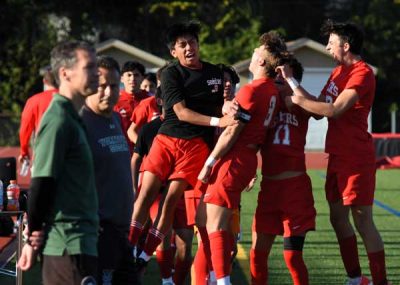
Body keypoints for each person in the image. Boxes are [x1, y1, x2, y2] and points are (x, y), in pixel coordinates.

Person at [276, 20, 391, 285]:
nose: (327, 46)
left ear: (346, 45)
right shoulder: (338, 72)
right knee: (338, 218)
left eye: (331, 42)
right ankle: (355, 279)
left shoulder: (362, 73)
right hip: (337, 156)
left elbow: (336, 109)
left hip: (355, 158)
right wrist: (291, 81)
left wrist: (296, 100)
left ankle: (380, 282)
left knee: (363, 222)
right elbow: (318, 108)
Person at [128, 21, 236, 274]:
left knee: (170, 200)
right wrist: (219, 120)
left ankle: (144, 255)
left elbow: (220, 105)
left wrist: (228, 106)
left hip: (197, 146)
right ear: (173, 52)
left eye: (193, 42)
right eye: (182, 44)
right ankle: (129, 247)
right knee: (144, 195)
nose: (189, 48)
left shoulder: (215, 73)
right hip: (167, 140)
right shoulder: (171, 74)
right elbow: (181, 112)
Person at [196, 31, 283, 284]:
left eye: (257, 52)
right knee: (211, 222)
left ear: (262, 62)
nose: (253, 54)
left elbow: (232, 131)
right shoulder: (272, 92)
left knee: (215, 227)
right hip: (246, 159)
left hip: (232, 160)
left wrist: (209, 163)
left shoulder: (251, 90)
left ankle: (220, 280)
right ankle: (217, 278)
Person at [17, 41, 99, 285]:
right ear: (65, 73)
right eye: (89, 67)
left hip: (81, 243)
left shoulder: (74, 117)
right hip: (67, 246)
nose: (97, 73)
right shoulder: (58, 120)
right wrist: (32, 239)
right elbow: (41, 183)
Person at [251, 56, 317, 285]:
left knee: (292, 257)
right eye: (275, 78)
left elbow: (318, 109)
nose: (275, 83)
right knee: (257, 255)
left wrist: (291, 82)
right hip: (269, 188)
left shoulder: (299, 101)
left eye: (280, 78)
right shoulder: (266, 103)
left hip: (294, 189)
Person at [80, 55, 138, 285]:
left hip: (121, 230)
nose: (108, 92)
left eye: (114, 86)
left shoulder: (115, 117)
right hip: (99, 232)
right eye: (102, 86)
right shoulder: (79, 121)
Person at [19, 67, 58, 165]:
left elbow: (25, 129)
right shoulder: (69, 98)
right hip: (67, 151)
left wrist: (24, 152)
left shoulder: (33, 100)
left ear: (44, 81)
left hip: (42, 153)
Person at [114, 60, 149, 151]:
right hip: (122, 151)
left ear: (142, 78)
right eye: (129, 75)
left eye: (136, 75)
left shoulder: (151, 99)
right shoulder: (114, 100)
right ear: (121, 78)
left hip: (147, 152)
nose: (132, 78)